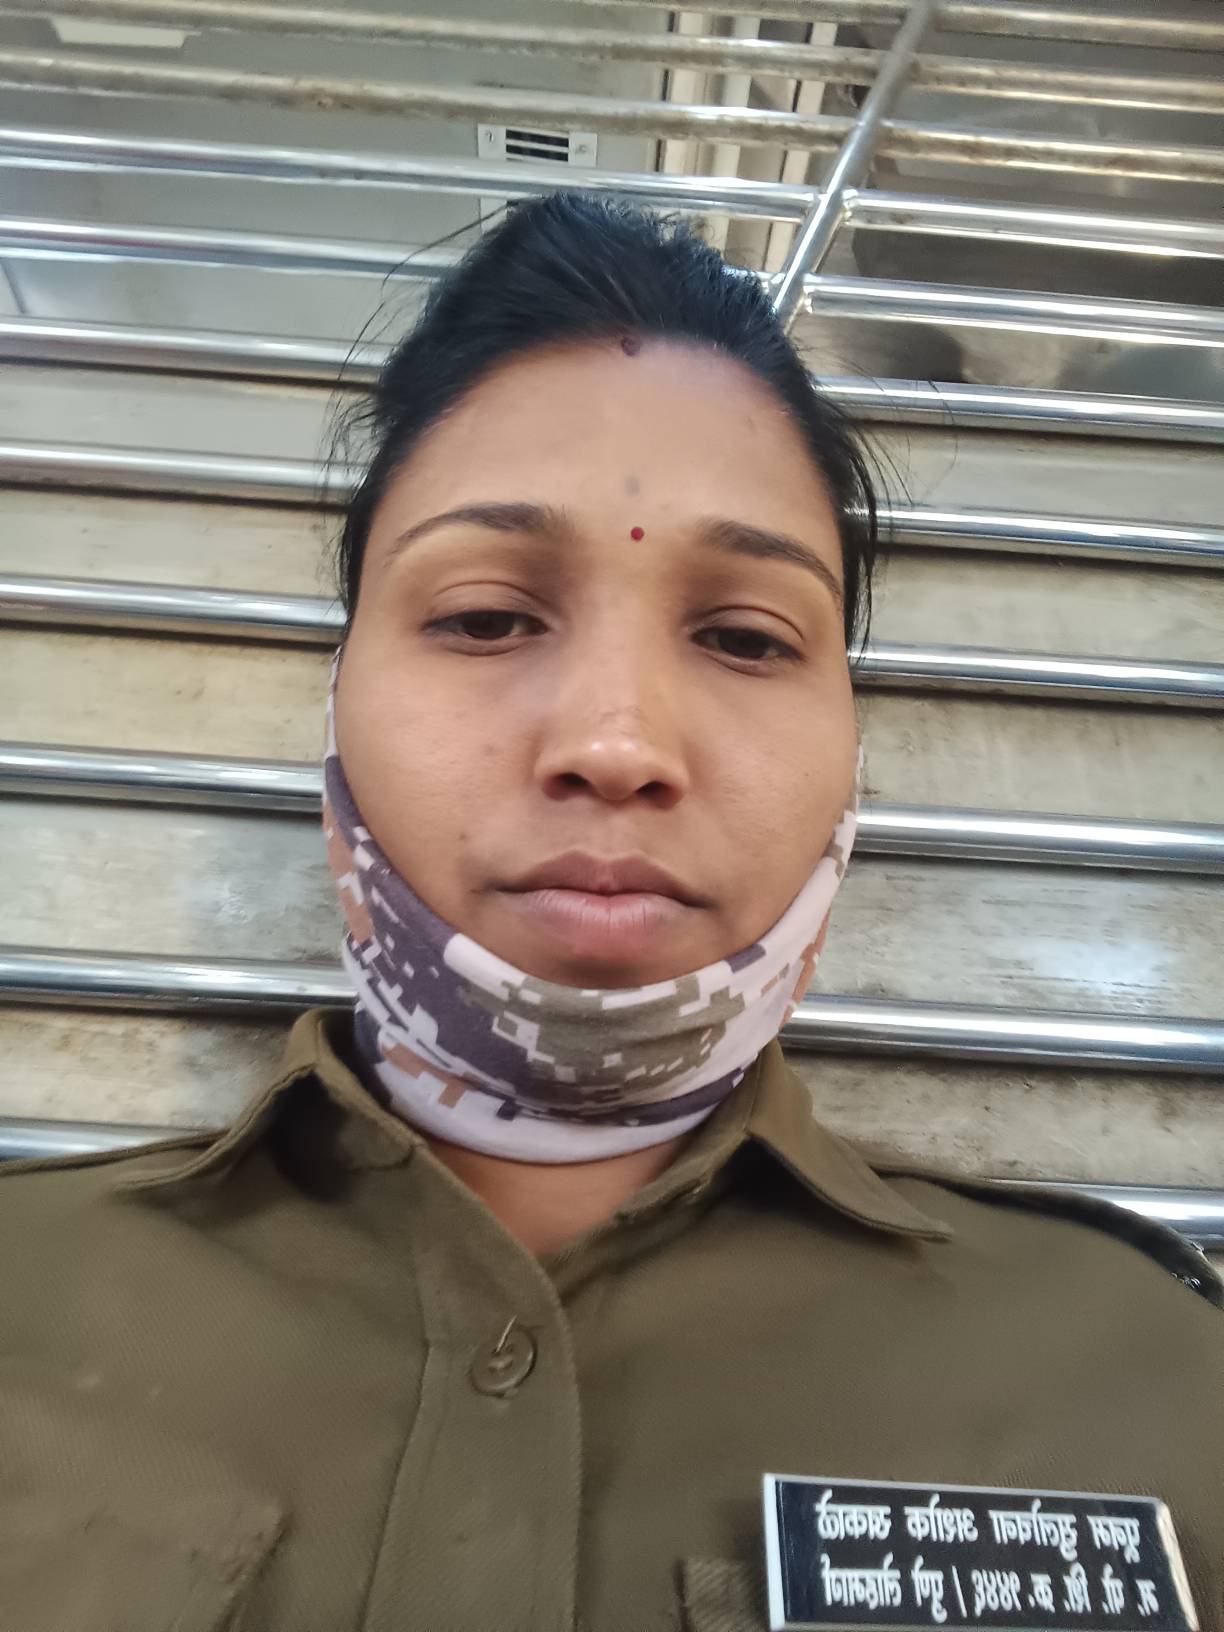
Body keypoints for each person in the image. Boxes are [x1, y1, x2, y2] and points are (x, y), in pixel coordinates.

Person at [1, 193, 1220, 1632]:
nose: (617, 742)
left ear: (853, 760)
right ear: (335, 720)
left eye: (745, 636)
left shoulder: (1155, 1373)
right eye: (484, 617)